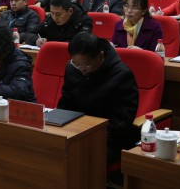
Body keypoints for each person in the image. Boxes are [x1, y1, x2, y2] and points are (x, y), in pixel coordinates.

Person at [57, 32, 139, 165]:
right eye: (76, 64)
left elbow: (122, 120)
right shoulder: (72, 68)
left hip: (107, 138)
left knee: (77, 158)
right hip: (76, 131)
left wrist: (91, 133)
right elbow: (66, 101)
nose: (81, 69)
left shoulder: (121, 75)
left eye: (85, 66)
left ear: (101, 56)